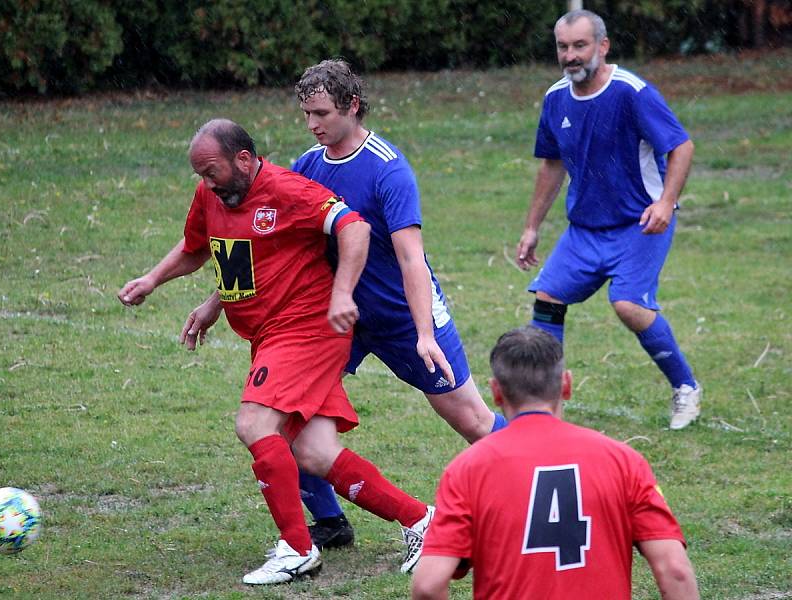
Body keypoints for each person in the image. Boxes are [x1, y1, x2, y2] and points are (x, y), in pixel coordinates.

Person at [181, 60, 506, 550]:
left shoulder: (388, 170)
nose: (313, 125)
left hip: (401, 316)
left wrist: (423, 334)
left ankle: (540, 478)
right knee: (288, 420)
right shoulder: (309, 165)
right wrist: (216, 302)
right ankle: (330, 523)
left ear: (352, 106)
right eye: (306, 114)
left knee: (471, 419)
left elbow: (411, 258)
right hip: (338, 319)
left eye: (322, 113)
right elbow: (273, 247)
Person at [118, 119, 434, 585]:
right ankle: (423, 521)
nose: (206, 183)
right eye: (200, 175)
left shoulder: (287, 190)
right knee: (315, 451)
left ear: (243, 160)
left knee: (254, 424)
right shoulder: (214, 195)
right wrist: (156, 281)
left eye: (211, 171)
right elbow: (199, 248)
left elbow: (354, 227)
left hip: (305, 329)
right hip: (270, 333)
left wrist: (342, 293)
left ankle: (298, 549)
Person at [412, 326, 700, 600]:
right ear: (567, 385)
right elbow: (675, 571)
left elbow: (428, 585)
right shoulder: (624, 461)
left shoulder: (467, 471)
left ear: (497, 392)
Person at [515, 9, 701, 430]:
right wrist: (531, 227)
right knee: (548, 300)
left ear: (602, 46)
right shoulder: (556, 97)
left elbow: (682, 147)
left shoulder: (632, 92)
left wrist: (667, 203)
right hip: (585, 229)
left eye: (580, 46)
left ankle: (686, 387)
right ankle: (543, 404)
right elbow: (551, 165)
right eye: (563, 47)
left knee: (629, 305)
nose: (570, 56)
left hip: (640, 223)